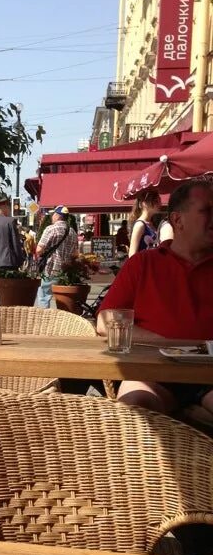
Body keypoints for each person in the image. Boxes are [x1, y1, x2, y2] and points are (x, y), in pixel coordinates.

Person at [97, 178, 213, 417]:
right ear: (177, 220)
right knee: (134, 406)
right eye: (207, 211)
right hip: (153, 375)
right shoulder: (144, 264)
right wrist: (167, 344)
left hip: (209, 377)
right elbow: (104, 322)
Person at [35, 205, 78, 308]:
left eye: (53, 214)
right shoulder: (72, 231)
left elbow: (39, 250)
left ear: (57, 216)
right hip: (65, 269)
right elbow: (75, 253)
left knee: (44, 295)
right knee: (62, 297)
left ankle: (45, 319)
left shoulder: (51, 229)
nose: (52, 216)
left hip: (51, 268)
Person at [128, 191, 161, 257]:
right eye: (156, 201)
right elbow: (132, 255)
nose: (160, 204)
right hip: (144, 265)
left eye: (159, 201)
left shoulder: (151, 224)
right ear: (144, 204)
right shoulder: (140, 225)